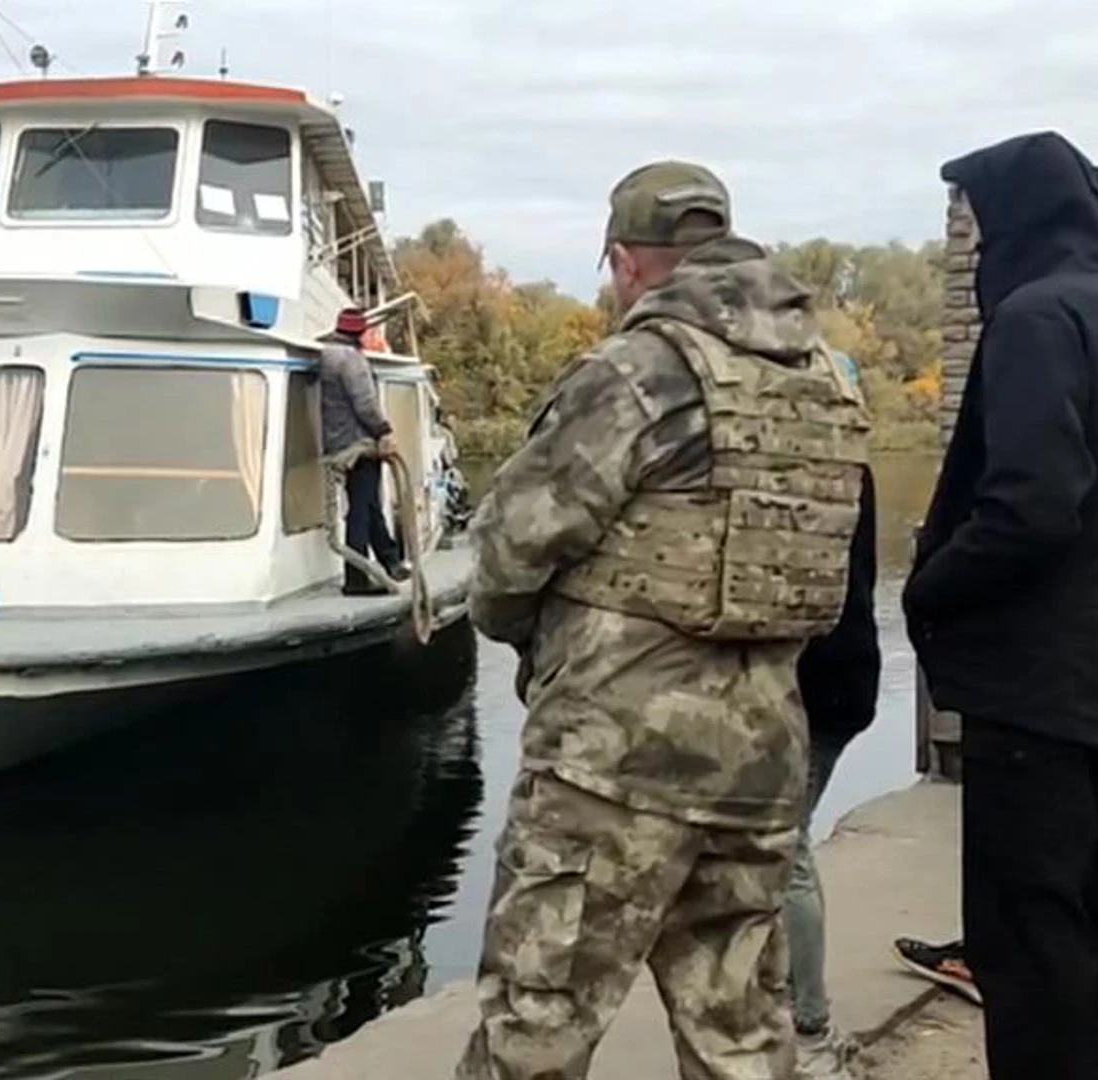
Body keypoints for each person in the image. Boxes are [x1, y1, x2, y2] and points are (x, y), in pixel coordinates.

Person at [457, 161, 871, 1080]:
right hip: (763, 758)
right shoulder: (831, 384)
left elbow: (506, 553)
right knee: (742, 1039)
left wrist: (534, 640)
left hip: (612, 766)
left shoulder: (639, 371)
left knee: (536, 1029)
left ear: (626, 263)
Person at [905, 130, 1098, 1079]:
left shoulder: (1036, 318)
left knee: (1032, 953)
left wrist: (930, 588)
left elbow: (1031, 504)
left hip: (1041, 700)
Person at [786, 455, 881, 1079]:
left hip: (812, 686)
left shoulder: (790, 465)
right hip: (850, 675)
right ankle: (800, 1016)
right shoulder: (853, 464)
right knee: (784, 847)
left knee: (782, 852)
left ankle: (809, 1029)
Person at [320, 307, 406, 594]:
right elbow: (365, 404)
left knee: (368, 506)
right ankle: (356, 579)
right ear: (360, 333)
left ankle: (390, 560)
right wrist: (384, 431)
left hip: (337, 443)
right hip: (358, 446)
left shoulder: (326, 354)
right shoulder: (352, 360)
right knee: (361, 510)